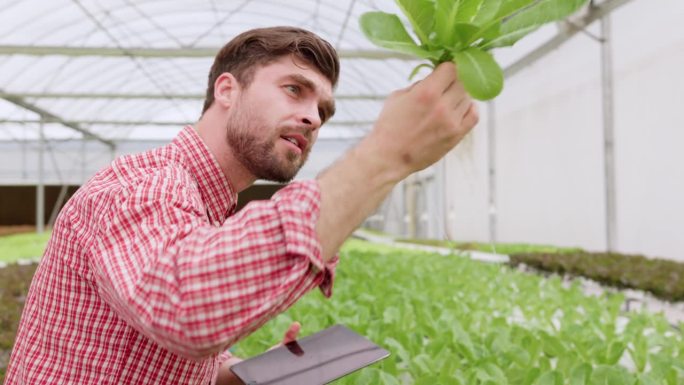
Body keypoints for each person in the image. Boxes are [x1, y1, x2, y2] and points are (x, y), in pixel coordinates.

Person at [5, 26, 478, 385]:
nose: (314, 117)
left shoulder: (205, 206)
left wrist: (243, 371)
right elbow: (185, 307)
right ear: (227, 90)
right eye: (295, 89)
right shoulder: (145, 184)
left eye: (324, 111)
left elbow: (153, 348)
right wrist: (386, 155)